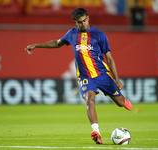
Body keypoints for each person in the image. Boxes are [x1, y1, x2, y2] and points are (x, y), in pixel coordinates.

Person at [25, 7, 132, 144]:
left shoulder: (99, 35)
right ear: (75, 23)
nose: (83, 24)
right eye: (79, 22)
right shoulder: (72, 34)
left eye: (84, 20)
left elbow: (109, 58)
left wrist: (117, 80)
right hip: (85, 77)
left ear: (88, 17)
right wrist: (36, 45)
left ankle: (123, 100)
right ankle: (96, 132)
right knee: (89, 99)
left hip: (102, 74)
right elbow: (57, 43)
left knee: (120, 103)